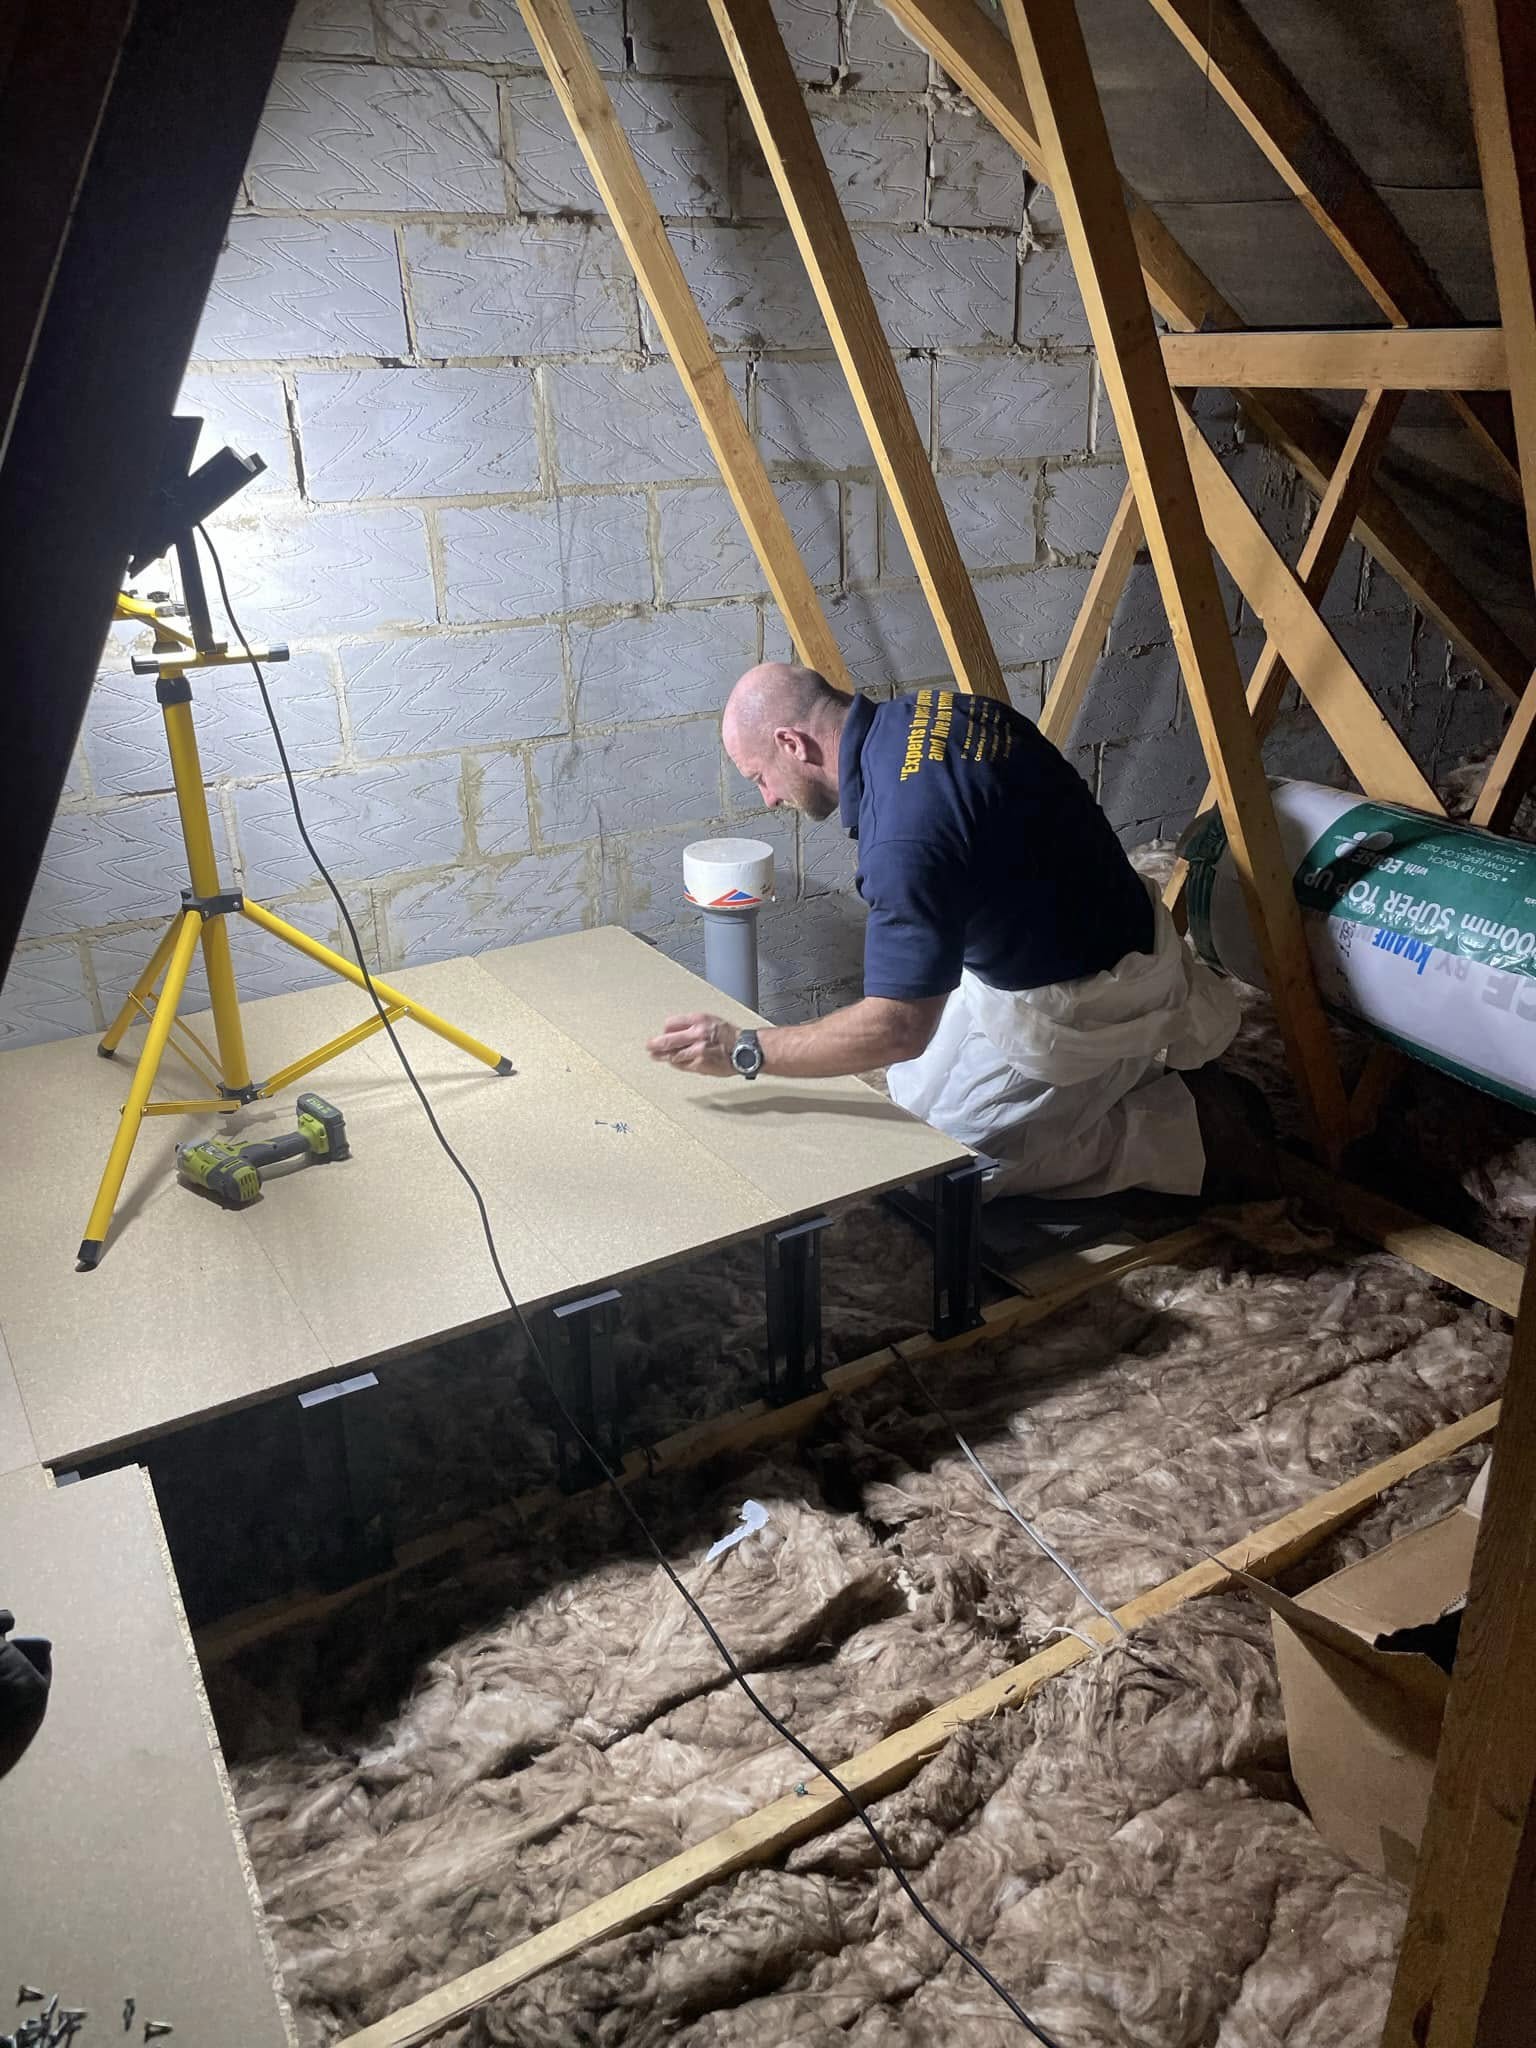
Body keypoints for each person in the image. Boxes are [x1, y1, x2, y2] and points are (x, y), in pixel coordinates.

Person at [645, 663, 1260, 1201]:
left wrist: (743, 1050)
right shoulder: (936, 711)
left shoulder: (904, 836)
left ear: (793, 743)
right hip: (1073, 935)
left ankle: (1190, 1127)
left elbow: (898, 1027)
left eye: (760, 776)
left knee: (944, 1173)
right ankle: (1106, 1080)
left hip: (1084, 998)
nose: (770, 798)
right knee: (910, 1107)